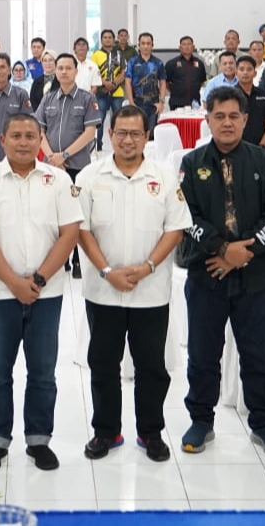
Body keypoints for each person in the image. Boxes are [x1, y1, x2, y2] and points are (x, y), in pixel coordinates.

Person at [177, 88, 265, 458]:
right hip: (206, 275)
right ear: (207, 120)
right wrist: (223, 249)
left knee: (257, 356)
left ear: (245, 120)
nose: (226, 123)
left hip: (255, 277)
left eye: (233, 116)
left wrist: (246, 251)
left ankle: (263, 424)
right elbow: (184, 216)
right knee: (202, 355)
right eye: (219, 116)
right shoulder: (192, 163)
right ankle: (201, 420)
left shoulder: (263, 160)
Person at [0, 114, 83, 472]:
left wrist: (39, 279)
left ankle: (38, 440)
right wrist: (14, 282)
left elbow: (70, 233)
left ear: (39, 140)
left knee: (43, 372)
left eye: (30, 136)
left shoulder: (58, 180)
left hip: (46, 296)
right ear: (2, 140)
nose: (23, 142)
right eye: (15, 135)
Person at [77, 107, 190, 462]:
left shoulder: (165, 177)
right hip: (103, 290)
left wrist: (147, 267)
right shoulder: (90, 176)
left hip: (150, 291)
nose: (128, 140)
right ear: (110, 135)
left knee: (151, 367)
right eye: (121, 133)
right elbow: (82, 229)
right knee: (103, 364)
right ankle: (106, 431)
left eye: (135, 134)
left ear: (147, 136)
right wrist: (106, 270)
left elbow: (175, 228)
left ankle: (151, 432)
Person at [36, 52, 103, 279]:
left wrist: (64, 155)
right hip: (51, 167)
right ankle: (59, 259)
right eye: (60, 68)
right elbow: (39, 131)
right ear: (55, 71)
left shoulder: (87, 99)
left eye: (68, 68)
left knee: (76, 213)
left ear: (76, 71)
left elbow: (90, 132)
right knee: (52, 212)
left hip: (77, 167)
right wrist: (52, 157)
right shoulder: (48, 99)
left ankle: (76, 259)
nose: (64, 71)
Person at [92, 29, 128, 151]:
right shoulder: (96, 54)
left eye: (110, 37)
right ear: (101, 40)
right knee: (99, 120)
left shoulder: (120, 54)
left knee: (119, 120)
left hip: (117, 93)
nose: (107, 39)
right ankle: (98, 145)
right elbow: (94, 72)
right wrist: (105, 83)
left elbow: (124, 71)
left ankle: (120, 144)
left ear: (113, 39)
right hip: (101, 93)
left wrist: (114, 83)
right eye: (105, 37)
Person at [126, 32, 167, 131]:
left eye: (148, 43)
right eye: (143, 43)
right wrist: (131, 102)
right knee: (137, 132)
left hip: (153, 105)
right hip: (137, 103)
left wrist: (161, 102)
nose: (145, 46)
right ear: (139, 45)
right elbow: (128, 82)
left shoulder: (158, 63)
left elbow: (162, 83)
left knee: (151, 133)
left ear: (152, 45)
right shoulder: (132, 62)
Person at [233, 55, 265, 151]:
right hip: (235, 148)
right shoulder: (229, 95)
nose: (245, 72)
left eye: (249, 69)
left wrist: (262, 146)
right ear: (236, 73)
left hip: (259, 148)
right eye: (241, 69)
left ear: (255, 73)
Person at [165, 36, 207, 111]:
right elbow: (166, 82)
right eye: (184, 44)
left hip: (194, 103)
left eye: (189, 44)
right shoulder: (172, 63)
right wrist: (175, 90)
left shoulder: (199, 63)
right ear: (180, 47)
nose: (187, 47)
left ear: (193, 47)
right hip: (177, 103)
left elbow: (201, 81)